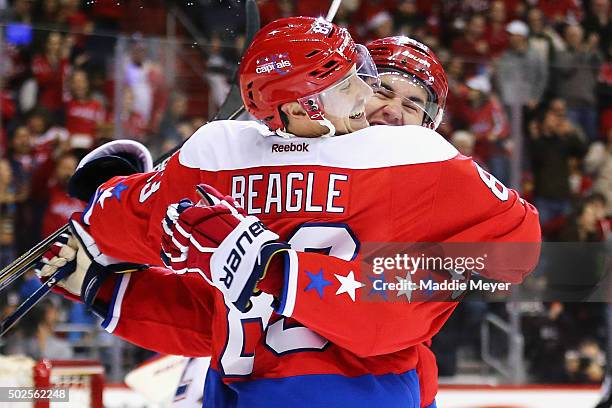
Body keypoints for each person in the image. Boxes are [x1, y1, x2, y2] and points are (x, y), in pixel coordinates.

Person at [39, 17, 540, 408]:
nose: (388, 110)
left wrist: (121, 197)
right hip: (278, 386)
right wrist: (106, 286)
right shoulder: (412, 169)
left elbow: (394, 312)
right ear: (311, 103)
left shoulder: (228, 162)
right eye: (380, 89)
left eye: (414, 106)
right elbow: (219, 316)